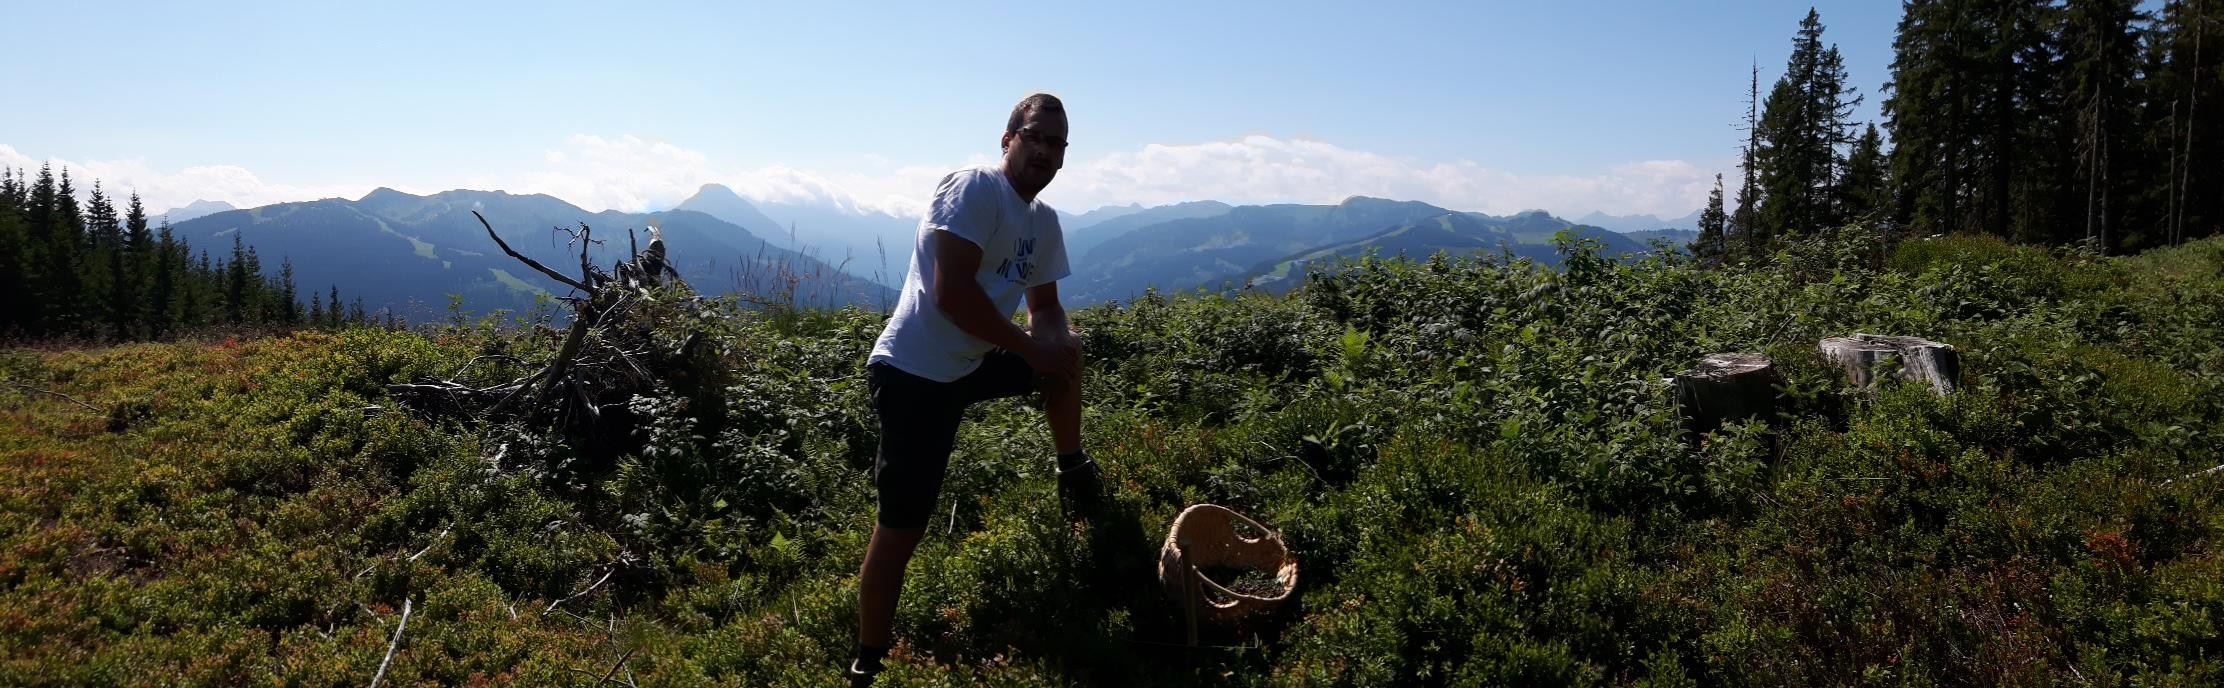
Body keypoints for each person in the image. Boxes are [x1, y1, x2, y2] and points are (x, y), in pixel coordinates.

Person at [848, 92, 1099, 686]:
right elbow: (952, 293)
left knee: (1068, 349)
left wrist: (1052, 348)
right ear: (1008, 140)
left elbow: (1045, 306)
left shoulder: (1043, 221)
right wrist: (1032, 351)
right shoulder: (975, 188)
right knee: (903, 525)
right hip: (914, 374)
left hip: (972, 362)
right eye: (1034, 137)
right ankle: (869, 659)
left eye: (1056, 143)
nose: (1044, 151)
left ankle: (1072, 466)